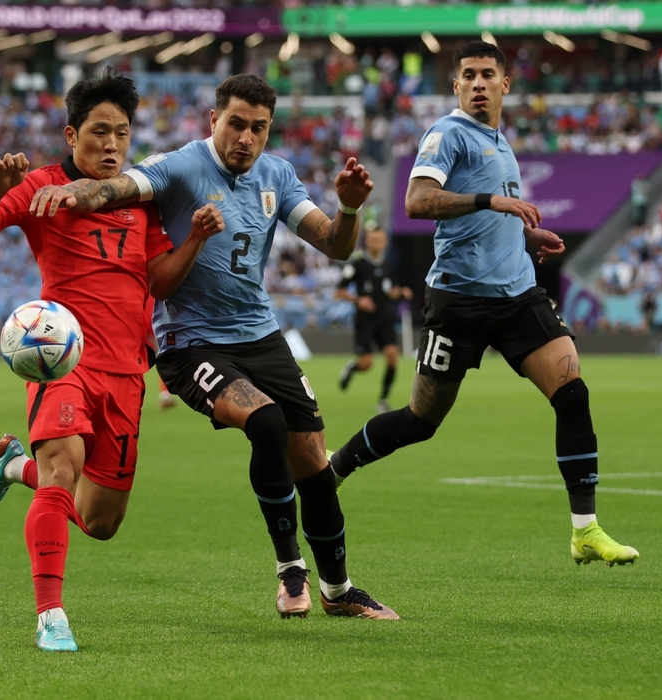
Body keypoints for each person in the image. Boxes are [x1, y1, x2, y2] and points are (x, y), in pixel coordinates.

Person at [30, 74, 400, 621]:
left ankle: (339, 590)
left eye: (259, 128)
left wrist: (348, 211)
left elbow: (333, 244)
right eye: (236, 125)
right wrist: (72, 192)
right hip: (191, 343)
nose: (246, 138)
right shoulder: (181, 166)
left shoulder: (277, 175)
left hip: (261, 335)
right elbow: (118, 187)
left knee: (314, 462)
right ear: (214, 121)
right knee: (267, 423)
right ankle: (290, 573)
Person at [327, 41, 639, 566]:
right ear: (456, 86)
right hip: (459, 301)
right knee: (421, 419)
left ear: (504, 85)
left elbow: (492, 219)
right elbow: (417, 201)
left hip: (518, 296)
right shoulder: (447, 134)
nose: (477, 82)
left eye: (487, 74)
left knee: (572, 392)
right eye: (467, 74)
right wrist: (491, 201)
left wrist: (523, 238)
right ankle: (332, 469)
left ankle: (585, 530)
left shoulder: (501, 143)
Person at [0, 69, 224, 652]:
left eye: (122, 134)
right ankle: (51, 616)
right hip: (62, 361)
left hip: (129, 372)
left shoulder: (137, 197)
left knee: (100, 521)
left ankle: (12, 468)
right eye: (100, 132)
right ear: (72, 134)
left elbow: (161, 282)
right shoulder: (42, 185)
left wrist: (195, 240)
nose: (112, 145)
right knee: (61, 475)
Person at [336, 225, 412, 413]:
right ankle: (352, 368)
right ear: (366, 241)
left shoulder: (386, 265)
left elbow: (391, 291)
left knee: (393, 357)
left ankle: (383, 401)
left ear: (385, 242)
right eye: (373, 239)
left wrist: (402, 292)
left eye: (379, 239)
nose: (376, 243)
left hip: (385, 317)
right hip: (365, 319)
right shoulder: (357, 263)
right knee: (366, 364)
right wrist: (358, 300)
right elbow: (339, 291)